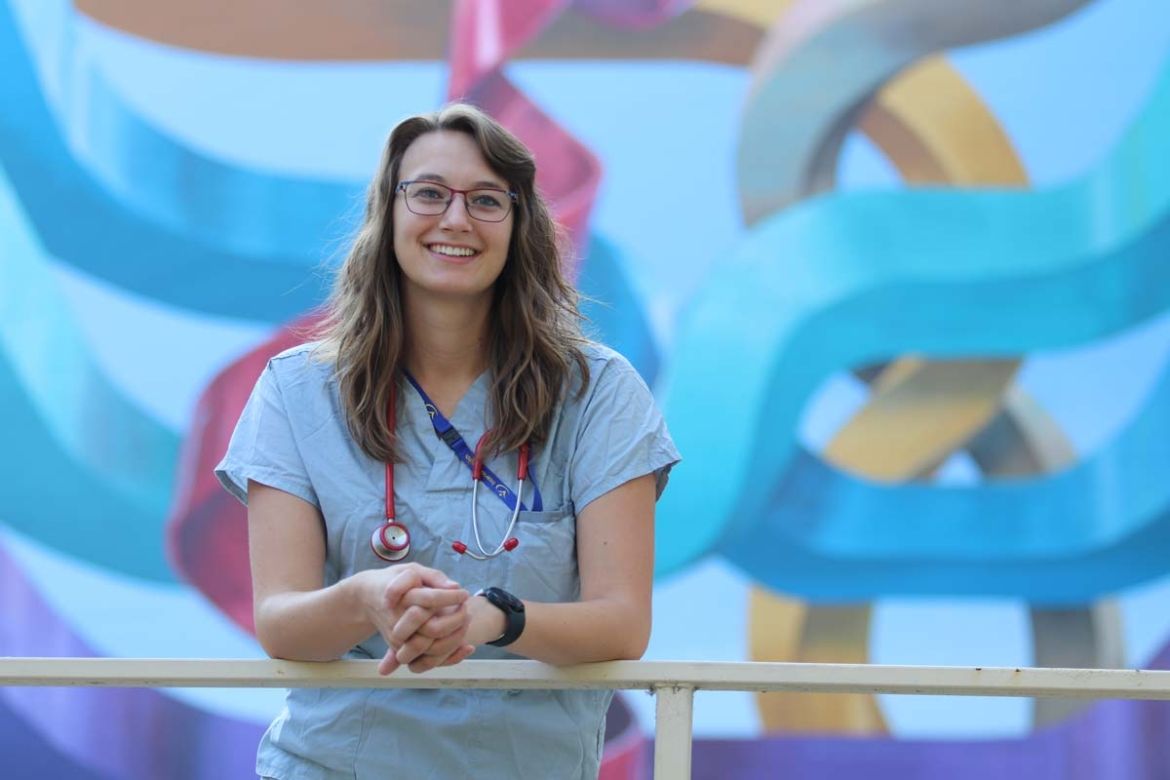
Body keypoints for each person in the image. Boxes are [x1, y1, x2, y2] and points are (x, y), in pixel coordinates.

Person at [215, 103, 679, 779]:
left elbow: (622, 622)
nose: (456, 219)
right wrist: (366, 598)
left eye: (486, 200)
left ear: (520, 225)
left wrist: (492, 618)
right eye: (429, 193)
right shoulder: (296, 391)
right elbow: (281, 622)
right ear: (387, 213)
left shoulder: (599, 392)